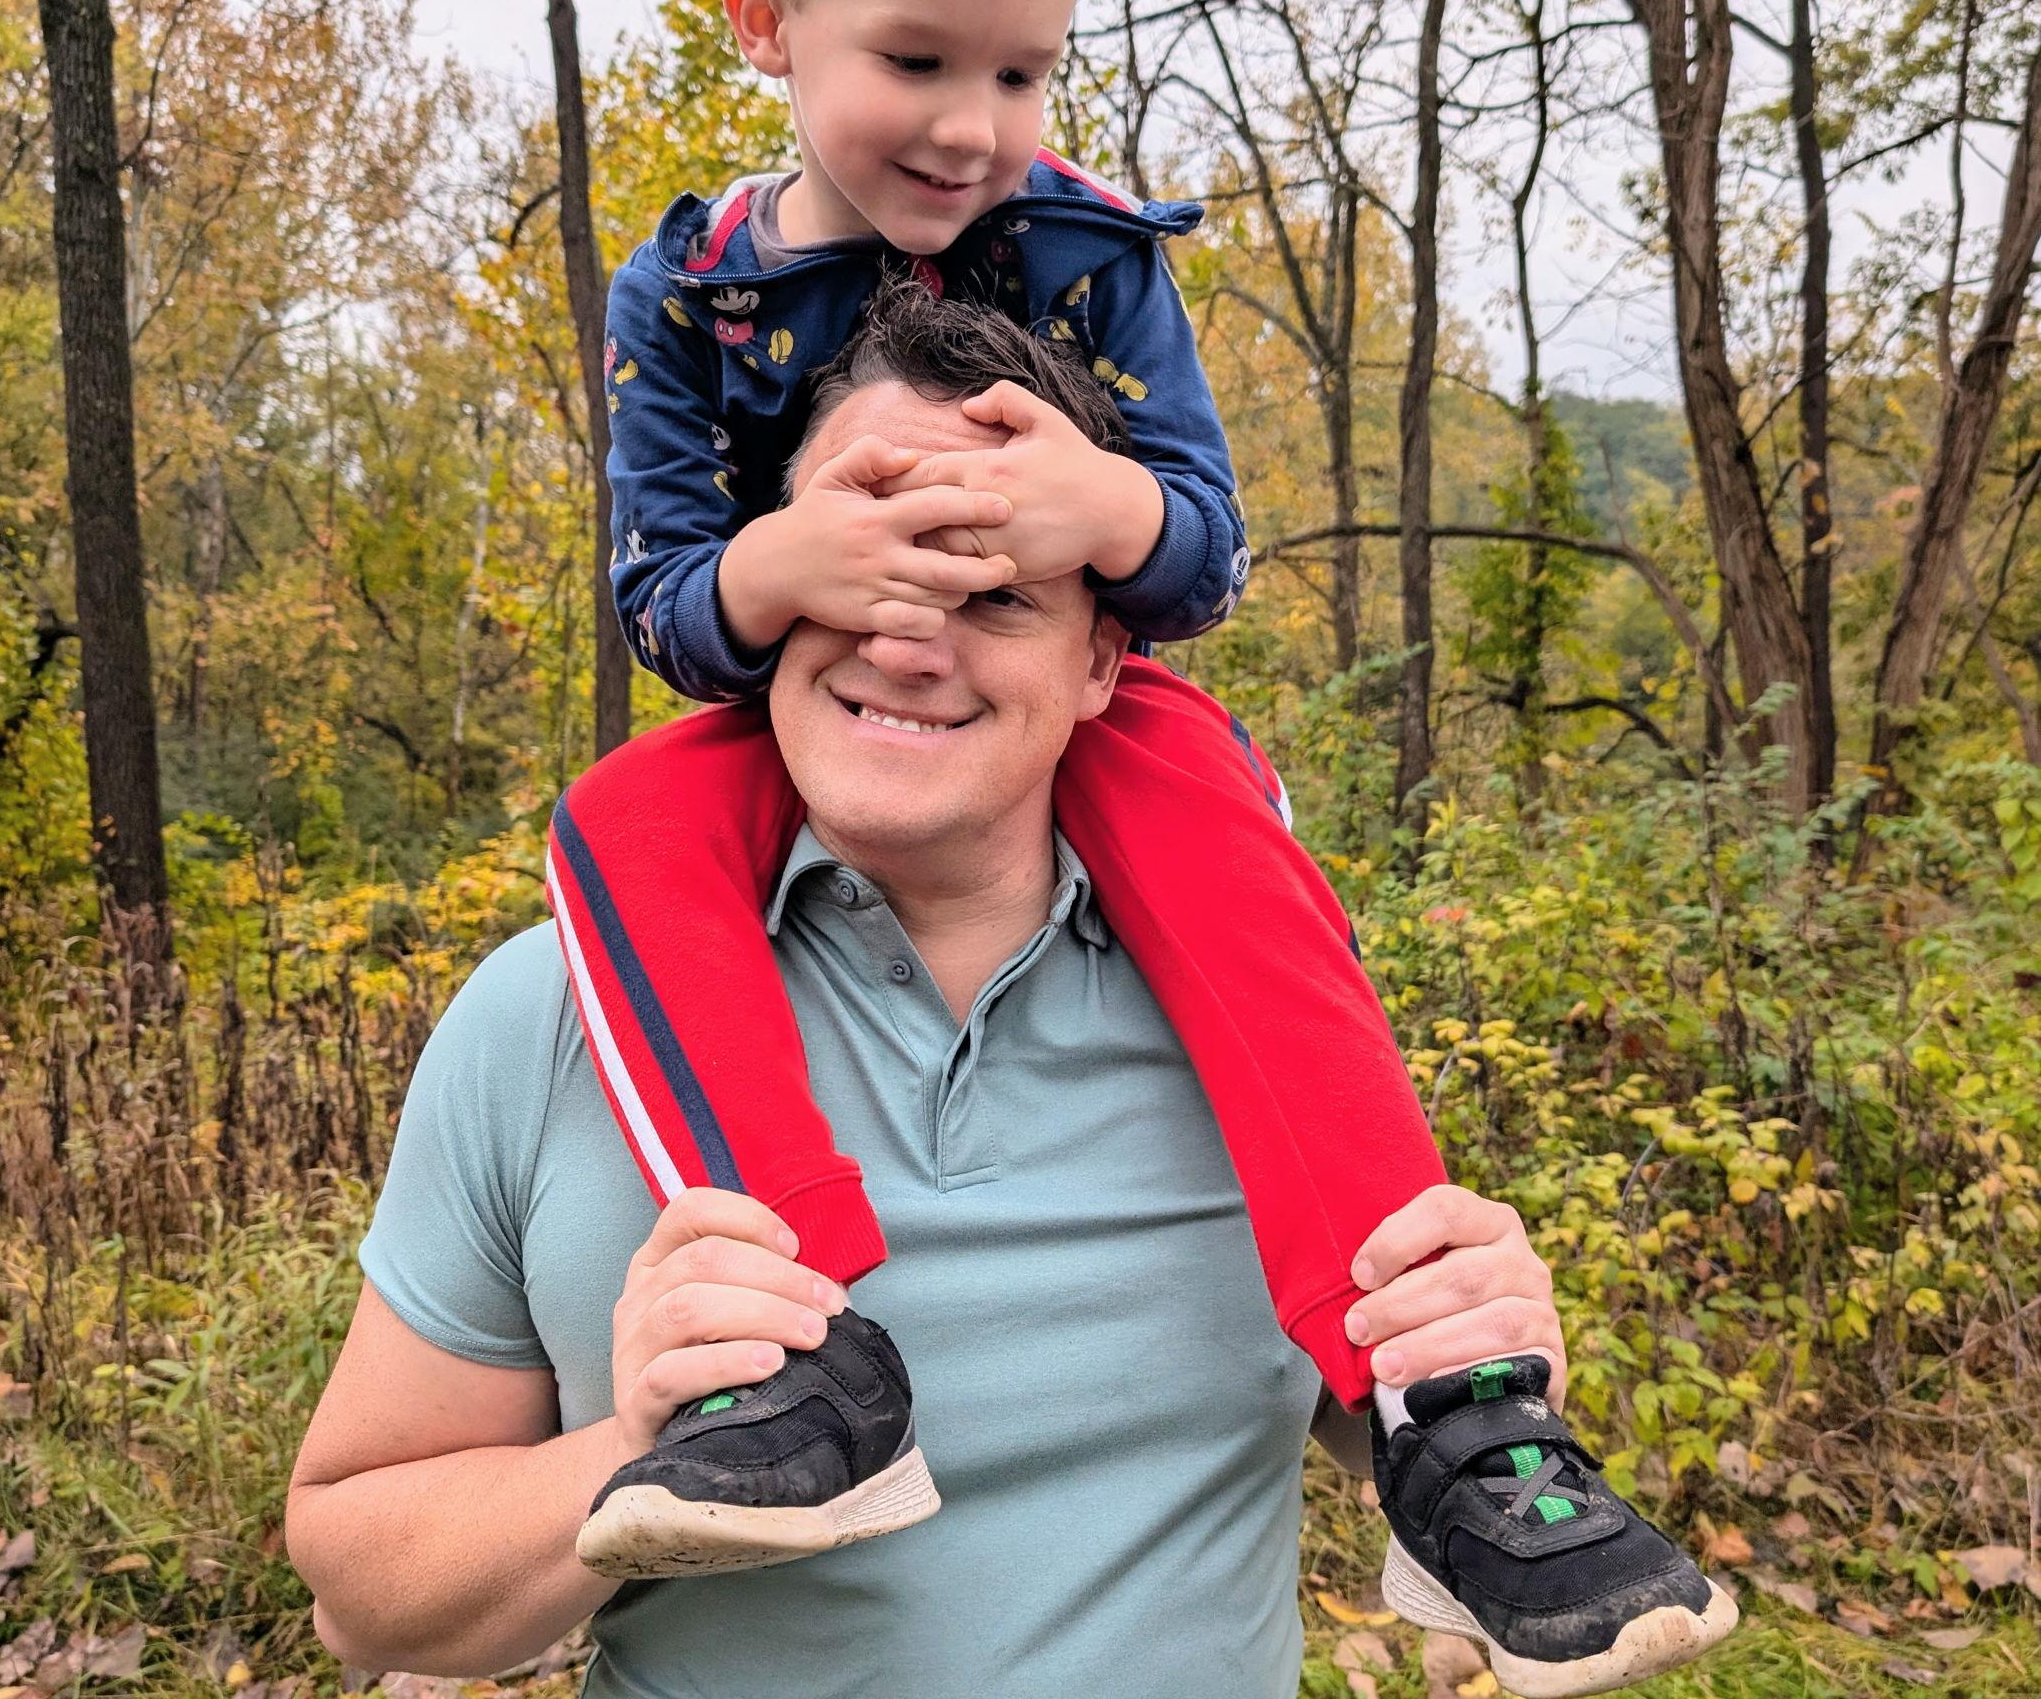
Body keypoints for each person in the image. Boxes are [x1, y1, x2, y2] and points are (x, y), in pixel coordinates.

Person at [564, 0, 1733, 1692]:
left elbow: (1194, 553)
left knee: (1214, 816)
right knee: (617, 822)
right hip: (809, 706)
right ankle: (795, 1346)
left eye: (1019, 70)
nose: (969, 126)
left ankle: (1438, 1405)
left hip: (1063, 714)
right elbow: (664, 597)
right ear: (767, 23)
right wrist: (782, 570)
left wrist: (1091, 507)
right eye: (916, 60)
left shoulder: (1086, 250)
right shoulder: (698, 301)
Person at [288, 301, 1728, 1699]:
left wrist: (1469, 1341)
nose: (909, 642)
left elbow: (1376, 1428)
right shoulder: (544, 1015)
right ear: (771, 594)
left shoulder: (1272, 1019)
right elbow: (360, 1581)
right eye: (862, 576)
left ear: (1106, 658)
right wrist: (629, 1448)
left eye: (995, 596)